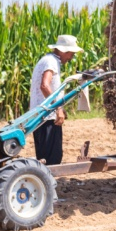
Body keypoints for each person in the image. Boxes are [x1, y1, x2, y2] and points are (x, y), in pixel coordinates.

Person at [30, 34, 83, 165]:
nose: (72, 57)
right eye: (71, 53)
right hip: (46, 117)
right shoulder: (51, 62)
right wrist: (58, 108)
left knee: (46, 156)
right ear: (64, 51)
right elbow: (44, 85)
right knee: (52, 158)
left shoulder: (49, 60)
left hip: (42, 116)